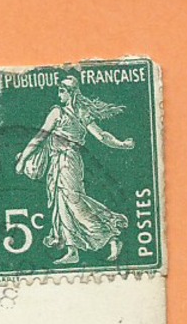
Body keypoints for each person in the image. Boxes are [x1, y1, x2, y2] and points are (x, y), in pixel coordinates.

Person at [13, 72, 136, 266]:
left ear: (70, 93)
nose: (58, 95)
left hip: (68, 162)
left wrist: (121, 144)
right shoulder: (62, 112)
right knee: (62, 203)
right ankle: (73, 250)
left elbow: (101, 135)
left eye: (62, 91)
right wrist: (24, 159)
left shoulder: (71, 113)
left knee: (73, 202)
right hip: (59, 162)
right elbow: (41, 137)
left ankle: (109, 234)